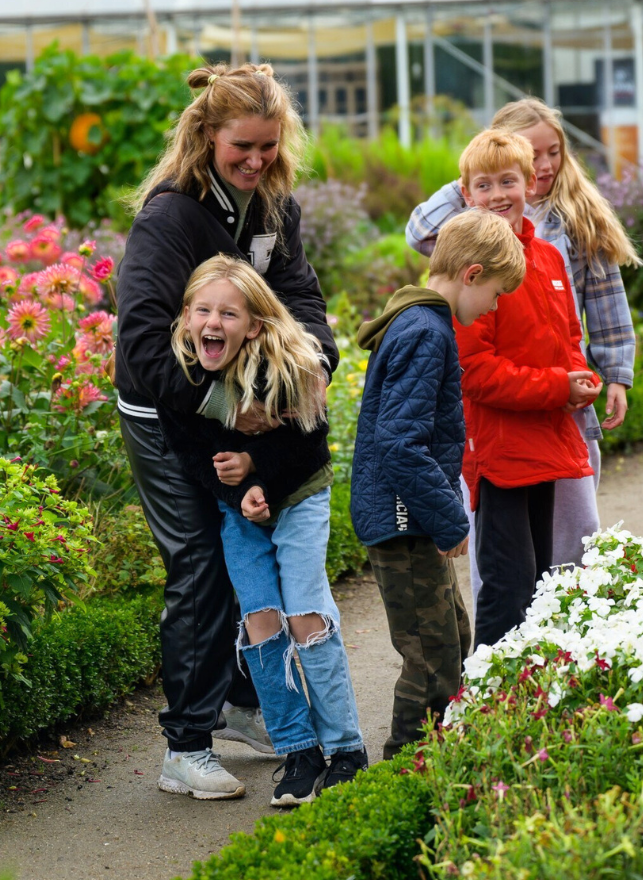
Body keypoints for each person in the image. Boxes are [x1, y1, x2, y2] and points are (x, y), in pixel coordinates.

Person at [115, 63, 339, 802]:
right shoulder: (169, 217)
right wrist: (226, 410)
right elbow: (143, 347)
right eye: (242, 146)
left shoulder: (274, 208)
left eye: (270, 146)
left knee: (254, 549)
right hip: (167, 412)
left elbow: (300, 297)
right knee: (200, 565)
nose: (256, 160)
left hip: (243, 405)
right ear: (208, 135)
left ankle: (242, 705)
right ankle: (185, 745)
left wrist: (315, 366)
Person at [161, 254, 366, 807]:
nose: (213, 323)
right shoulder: (183, 377)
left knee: (305, 617)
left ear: (254, 323)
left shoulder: (287, 361)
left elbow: (309, 443)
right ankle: (299, 751)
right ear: (185, 317)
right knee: (261, 624)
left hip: (297, 497)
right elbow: (194, 452)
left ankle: (346, 749)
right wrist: (238, 489)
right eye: (202, 310)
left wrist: (257, 472)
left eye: (229, 313)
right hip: (239, 511)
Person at [405, 98, 638, 578]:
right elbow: (421, 231)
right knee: (505, 547)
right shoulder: (481, 220)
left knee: (573, 521)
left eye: (554, 152)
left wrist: (613, 372)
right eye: (535, 154)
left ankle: (566, 619)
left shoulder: (577, 214)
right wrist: (486, 174)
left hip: (562, 391)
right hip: (507, 400)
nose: (548, 164)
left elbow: (605, 298)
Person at [351, 211, 526, 758]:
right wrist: (450, 519)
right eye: (496, 295)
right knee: (431, 659)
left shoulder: (420, 321)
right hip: (406, 522)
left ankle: (432, 756)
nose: (494, 308)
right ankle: (409, 767)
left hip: (410, 516)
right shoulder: (426, 331)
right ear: (472, 275)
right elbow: (400, 445)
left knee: (449, 638)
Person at [450, 129, 602, 649]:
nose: (497, 195)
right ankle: (480, 705)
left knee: (538, 582)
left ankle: (521, 701)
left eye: (507, 181)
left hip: (548, 441)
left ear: (531, 183)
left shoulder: (550, 260)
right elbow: (476, 371)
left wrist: (580, 380)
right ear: (466, 193)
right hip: (500, 452)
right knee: (506, 586)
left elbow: (568, 338)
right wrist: (558, 387)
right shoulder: (471, 266)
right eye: (484, 184)